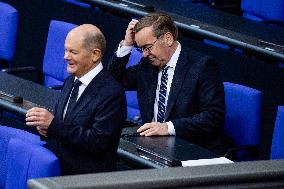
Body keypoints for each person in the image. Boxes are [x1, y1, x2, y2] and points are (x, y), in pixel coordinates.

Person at [108, 13, 232, 155]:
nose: (144, 54)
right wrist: (127, 44)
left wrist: (168, 127)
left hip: (191, 149)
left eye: (148, 47)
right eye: (141, 48)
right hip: (152, 147)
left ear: (168, 38)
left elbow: (213, 117)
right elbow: (111, 82)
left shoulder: (201, 66)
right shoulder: (147, 65)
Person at [26, 24, 126, 175]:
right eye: (66, 50)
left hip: (86, 180)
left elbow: (97, 142)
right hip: (59, 171)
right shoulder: (70, 80)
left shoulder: (112, 93)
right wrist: (47, 129)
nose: (66, 56)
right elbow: (66, 125)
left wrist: (54, 125)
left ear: (95, 54)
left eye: (73, 52)